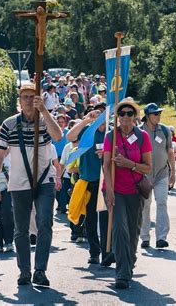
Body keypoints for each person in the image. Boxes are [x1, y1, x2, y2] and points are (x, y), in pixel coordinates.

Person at [0, 83, 62, 286]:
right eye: (25, 97)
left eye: (32, 97)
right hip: (19, 183)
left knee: (45, 223)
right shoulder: (9, 124)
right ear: (19, 101)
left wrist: (44, 111)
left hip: (45, 180)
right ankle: (24, 271)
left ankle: (40, 270)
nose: (29, 100)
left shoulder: (45, 120)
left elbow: (58, 136)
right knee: (20, 229)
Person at [103, 97, 152, 289]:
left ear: (135, 116)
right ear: (117, 116)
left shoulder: (142, 137)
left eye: (129, 113)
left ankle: (129, 261)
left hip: (135, 191)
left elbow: (147, 168)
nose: (125, 116)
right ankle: (122, 273)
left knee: (133, 230)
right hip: (115, 191)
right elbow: (106, 166)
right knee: (119, 229)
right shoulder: (110, 136)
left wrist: (129, 164)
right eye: (121, 113)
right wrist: (108, 190)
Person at [66, 107, 109, 265]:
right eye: (97, 114)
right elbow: (69, 136)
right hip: (89, 181)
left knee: (105, 219)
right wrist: (86, 120)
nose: (99, 116)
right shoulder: (86, 131)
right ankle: (94, 252)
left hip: (106, 181)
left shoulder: (111, 133)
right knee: (90, 219)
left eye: (103, 114)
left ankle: (107, 252)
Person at [139, 103, 176, 249]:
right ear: (147, 116)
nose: (158, 116)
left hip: (161, 173)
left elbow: (170, 152)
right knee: (145, 206)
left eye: (159, 113)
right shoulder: (139, 131)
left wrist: (173, 172)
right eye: (155, 114)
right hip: (144, 175)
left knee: (162, 203)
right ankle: (145, 238)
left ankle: (161, 237)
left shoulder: (165, 130)